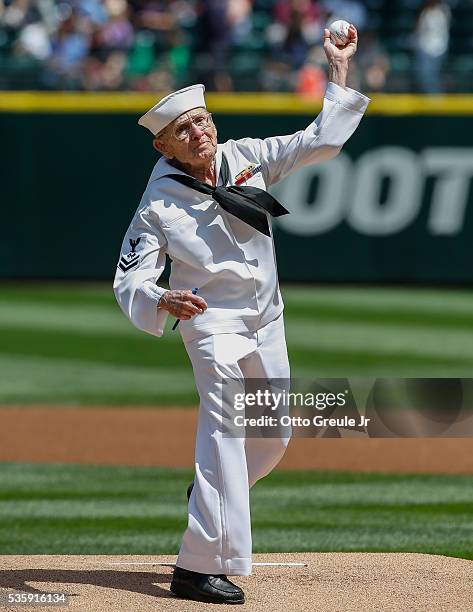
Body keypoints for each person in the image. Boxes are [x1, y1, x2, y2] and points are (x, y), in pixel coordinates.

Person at [113, 24, 369, 605]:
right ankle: (198, 567)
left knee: (275, 436)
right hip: (212, 328)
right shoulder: (157, 206)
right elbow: (129, 276)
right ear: (164, 146)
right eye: (184, 128)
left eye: (201, 119)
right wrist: (161, 299)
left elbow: (320, 140)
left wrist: (338, 69)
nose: (198, 131)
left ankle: (209, 496)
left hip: (267, 320)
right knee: (225, 433)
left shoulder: (244, 158)